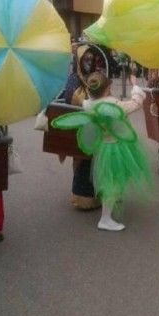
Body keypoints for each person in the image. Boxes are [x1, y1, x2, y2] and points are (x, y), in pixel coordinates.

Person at [81, 71, 152, 231]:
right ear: (107, 89)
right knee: (112, 181)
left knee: (111, 176)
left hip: (102, 147)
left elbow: (86, 102)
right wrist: (134, 85)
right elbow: (136, 103)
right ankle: (105, 219)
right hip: (116, 146)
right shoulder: (113, 104)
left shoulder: (88, 104)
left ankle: (114, 198)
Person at [64, 44, 100, 210]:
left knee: (96, 161)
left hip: (96, 125)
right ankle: (81, 198)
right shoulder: (73, 78)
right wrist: (84, 102)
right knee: (81, 160)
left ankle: (97, 195)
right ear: (78, 59)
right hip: (80, 124)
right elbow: (69, 97)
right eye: (85, 58)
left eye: (91, 59)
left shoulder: (96, 75)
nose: (88, 62)